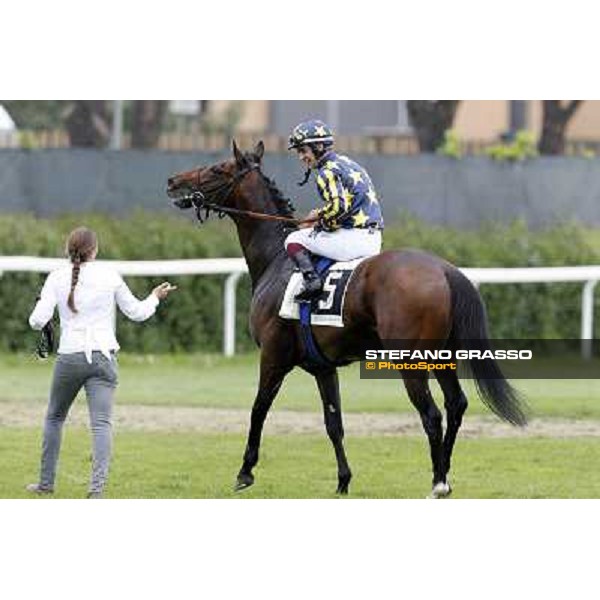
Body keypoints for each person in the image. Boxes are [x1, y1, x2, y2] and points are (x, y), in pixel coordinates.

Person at [26, 226, 177, 498]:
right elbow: (137, 313)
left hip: (69, 358)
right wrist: (155, 297)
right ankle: (96, 492)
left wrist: (42, 308)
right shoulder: (109, 276)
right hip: (104, 358)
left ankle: (46, 484)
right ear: (94, 250)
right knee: (101, 424)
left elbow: (36, 321)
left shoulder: (56, 277)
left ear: (68, 249)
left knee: (54, 418)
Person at [285, 119, 384, 301]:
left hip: (353, 241)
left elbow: (339, 208)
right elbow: (348, 205)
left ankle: (312, 282)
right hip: (374, 239)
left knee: (293, 239)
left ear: (319, 146)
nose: (301, 157)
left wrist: (317, 222)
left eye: (302, 150)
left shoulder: (326, 172)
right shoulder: (349, 163)